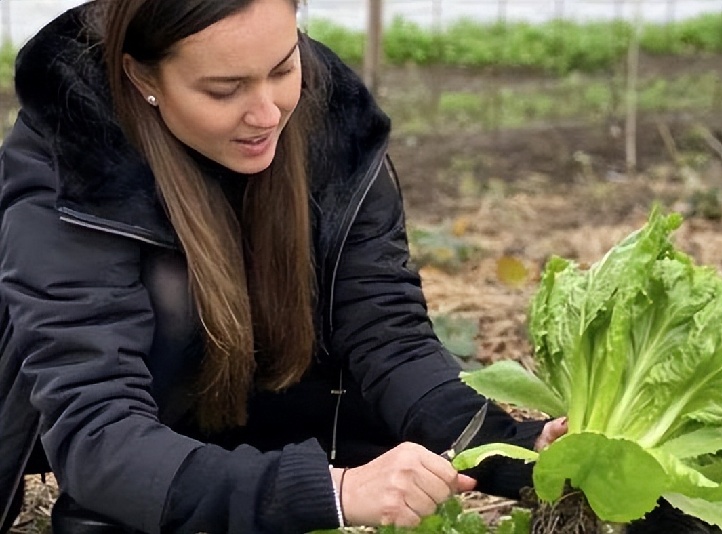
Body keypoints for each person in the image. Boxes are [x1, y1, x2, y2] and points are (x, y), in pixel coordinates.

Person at [0, 1, 568, 532]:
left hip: (269, 428)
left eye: (283, 67)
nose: (268, 112)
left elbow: (390, 336)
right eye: (225, 90)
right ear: (143, 78)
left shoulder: (335, 120)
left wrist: (517, 451)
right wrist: (331, 493)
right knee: (173, 295)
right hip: (141, 451)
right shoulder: (68, 158)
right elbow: (98, 434)